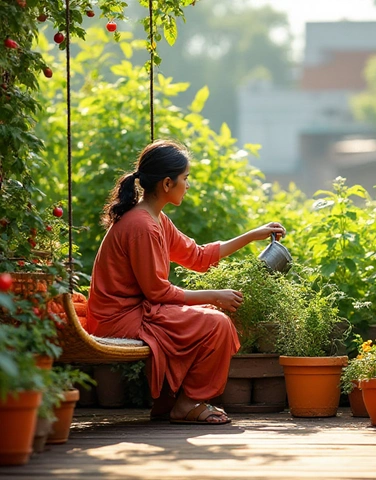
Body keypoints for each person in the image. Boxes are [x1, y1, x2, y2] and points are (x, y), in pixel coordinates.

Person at [86, 139, 286, 425]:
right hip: (117, 319)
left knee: (214, 318)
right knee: (217, 323)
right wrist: (214, 296)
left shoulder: (156, 219)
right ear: (167, 184)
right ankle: (188, 403)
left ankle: (176, 402)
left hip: (138, 312)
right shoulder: (142, 225)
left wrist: (252, 235)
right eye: (185, 179)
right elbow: (156, 292)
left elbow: (199, 257)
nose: (188, 185)